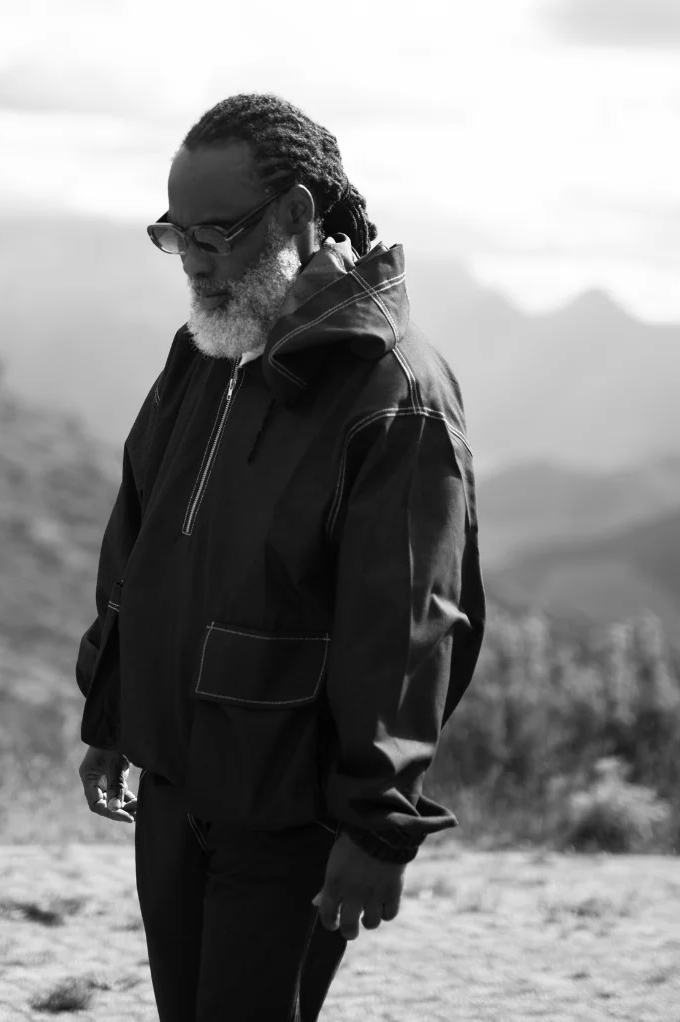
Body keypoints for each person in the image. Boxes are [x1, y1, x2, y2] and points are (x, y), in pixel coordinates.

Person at [75, 93, 485, 1022]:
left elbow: (409, 626)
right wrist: (112, 708)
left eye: (215, 235)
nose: (195, 262)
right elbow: (138, 537)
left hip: (289, 813)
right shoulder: (205, 352)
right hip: (176, 788)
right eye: (176, 236)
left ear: (298, 213)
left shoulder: (394, 393)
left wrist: (378, 828)